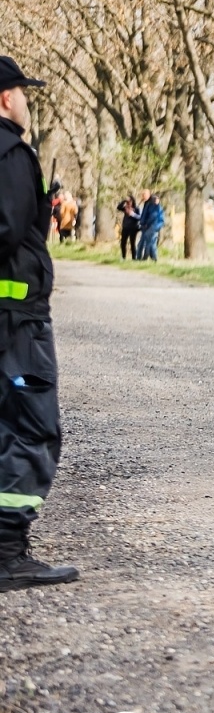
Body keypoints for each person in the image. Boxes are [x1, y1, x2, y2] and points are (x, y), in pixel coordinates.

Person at [0, 56, 78, 590]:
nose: (29, 101)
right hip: (16, 319)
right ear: (7, 97)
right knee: (30, 424)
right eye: (25, 92)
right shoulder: (9, 151)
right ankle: (7, 552)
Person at [136, 191, 165, 260]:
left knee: (150, 244)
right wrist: (142, 223)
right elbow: (144, 216)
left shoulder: (157, 208)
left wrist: (153, 227)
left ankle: (148, 258)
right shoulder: (147, 205)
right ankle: (149, 258)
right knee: (146, 244)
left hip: (153, 227)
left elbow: (156, 218)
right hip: (146, 227)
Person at [116, 194, 141, 260]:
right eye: (127, 201)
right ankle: (123, 257)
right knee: (123, 243)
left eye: (129, 201)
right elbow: (118, 207)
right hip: (125, 227)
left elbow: (139, 217)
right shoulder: (125, 208)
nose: (128, 202)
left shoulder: (136, 209)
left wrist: (132, 214)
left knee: (132, 243)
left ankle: (134, 258)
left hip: (133, 228)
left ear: (132, 201)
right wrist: (124, 201)